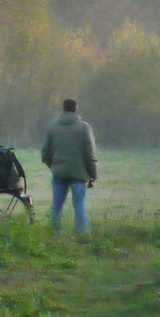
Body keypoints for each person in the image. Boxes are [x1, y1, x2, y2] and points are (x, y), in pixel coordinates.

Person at [40, 97, 97, 232]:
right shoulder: (84, 127)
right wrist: (93, 173)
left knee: (57, 205)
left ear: (63, 109)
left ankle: (53, 232)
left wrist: (53, 165)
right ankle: (81, 234)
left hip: (59, 172)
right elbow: (89, 153)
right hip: (79, 173)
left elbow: (45, 152)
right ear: (76, 109)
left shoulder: (52, 127)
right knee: (79, 205)